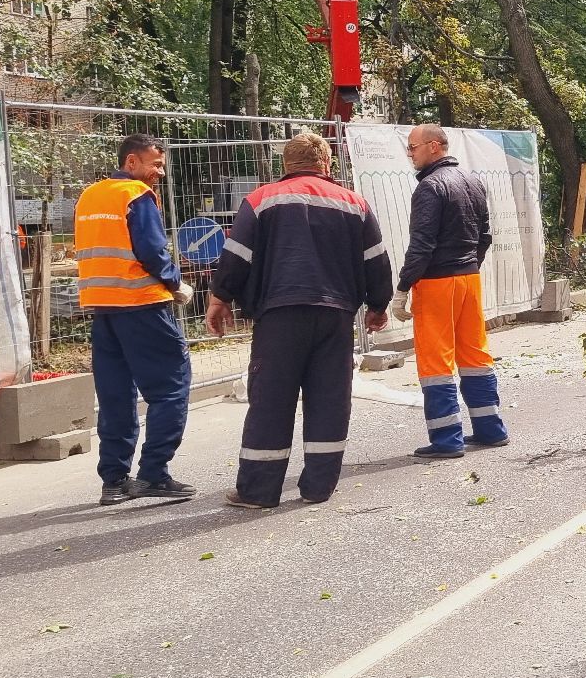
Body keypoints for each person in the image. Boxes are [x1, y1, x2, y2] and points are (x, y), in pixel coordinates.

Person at [207, 134, 394, 508]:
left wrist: (220, 297)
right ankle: (318, 486)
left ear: (285, 165)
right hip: (335, 315)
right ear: (326, 165)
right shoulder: (354, 203)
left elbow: (237, 254)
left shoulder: (260, 200)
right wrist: (378, 304)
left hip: (279, 314)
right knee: (329, 398)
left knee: (271, 400)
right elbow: (375, 258)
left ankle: (258, 491)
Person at [74, 134, 196, 505]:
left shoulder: (90, 195)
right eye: (155, 165)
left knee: (116, 396)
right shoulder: (136, 196)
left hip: (103, 307)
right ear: (131, 163)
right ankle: (153, 474)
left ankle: (114, 480)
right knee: (171, 387)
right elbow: (151, 250)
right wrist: (176, 282)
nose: (160, 173)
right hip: (142, 304)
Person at [392, 125, 510, 458]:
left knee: (435, 361)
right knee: (475, 355)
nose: (410, 153)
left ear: (433, 146)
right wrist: (468, 266)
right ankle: (490, 430)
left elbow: (422, 245)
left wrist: (402, 289)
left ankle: (446, 440)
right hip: (469, 280)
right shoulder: (473, 181)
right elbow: (484, 235)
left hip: (436, 283)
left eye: (412, 147)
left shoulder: (430, 187)